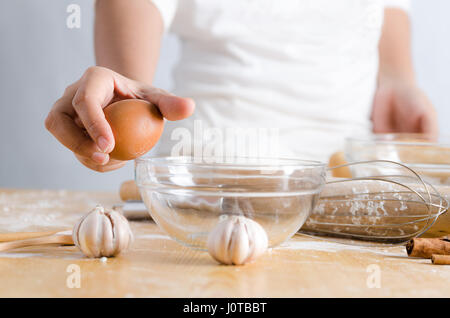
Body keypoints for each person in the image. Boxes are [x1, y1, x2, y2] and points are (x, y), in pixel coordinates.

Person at [45, 0, 437, 172]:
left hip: (348, 183)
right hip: (211, 189)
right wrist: (123, 98)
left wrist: (398, 80)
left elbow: (384, 9)